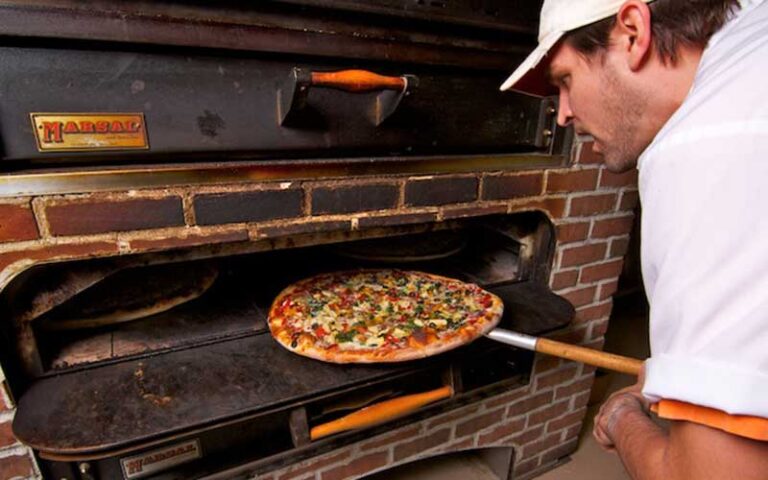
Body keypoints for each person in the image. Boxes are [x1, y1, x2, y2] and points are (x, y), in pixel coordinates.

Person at [500, 0, 768, 478]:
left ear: (631, 31)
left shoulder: (708, 148)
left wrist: (621, 417)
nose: (562, 114)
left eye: (564, 80)